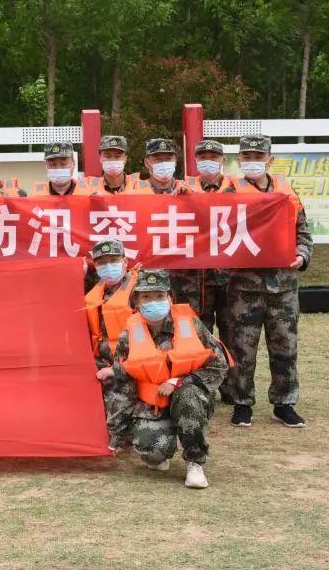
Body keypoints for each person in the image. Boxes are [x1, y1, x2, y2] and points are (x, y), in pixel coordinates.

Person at [107, 269, 229, 489]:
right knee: (153, 452)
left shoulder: (192, 325)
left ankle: (195, 462)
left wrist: (178, 382)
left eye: (159, 295)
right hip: (152, 405)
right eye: (146, 297)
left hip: (191, 398)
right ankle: (161, 448)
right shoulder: (128, 336)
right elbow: (122, 387)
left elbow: (219, 365)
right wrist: (115, 435)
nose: (153, 301)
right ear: (137, 301)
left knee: (187, 396)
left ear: (170, 298)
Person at [223, 134, 313, 429]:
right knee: (242, 350)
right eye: (247, 157)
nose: (252, 162)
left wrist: (301, 255)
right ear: (239, 160)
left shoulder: (287, 191)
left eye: (258, 157)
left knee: (285, 348)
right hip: (244, 287)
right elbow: (216, 233)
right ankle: (242, 403)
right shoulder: (228, 192)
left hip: (283, 286)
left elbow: (303, 233)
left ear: (269, 159)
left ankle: (284, 403)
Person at [183, 139, 237, 402]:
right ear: (195, 161)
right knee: (198, 333)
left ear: (222, 160)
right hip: (195, 278)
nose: (208, 161)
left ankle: (233, 388)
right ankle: (202, 386)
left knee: (232, 333)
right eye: (203, 157)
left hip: (231, 276)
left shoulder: (239, 188)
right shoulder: (183, 188)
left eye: (213, 157)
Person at [129, 138, 199, 314]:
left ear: (176, 161)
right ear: (147, 163)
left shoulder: (190, 191)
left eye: (168, 158)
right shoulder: (133, 195)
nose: (163, 163)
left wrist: (193, 201)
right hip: (148, 282)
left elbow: (208, 224)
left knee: (188, 325)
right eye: (157, 159)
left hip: (185, 279)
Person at [85, 240, 138, 421]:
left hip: (131, 363)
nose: (108, 266)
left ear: (125, 261)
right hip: (100, 360)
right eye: (102, 262)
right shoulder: (96, 290)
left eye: (113, 260)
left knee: (115, 419)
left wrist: (118, 369)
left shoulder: (141, 291)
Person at [31, 142, 96, 196]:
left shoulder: (88, 195)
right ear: (46, 166)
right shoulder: (35, 197)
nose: (58, 169)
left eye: (63, 164)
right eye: (53, 165)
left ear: (73, 164)